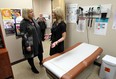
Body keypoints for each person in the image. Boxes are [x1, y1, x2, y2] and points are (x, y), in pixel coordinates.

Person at [20, 8, 43, 74]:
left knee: (40, 52)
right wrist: (27, 45)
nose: (32, 13)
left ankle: (41, 62)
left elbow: (37, 29)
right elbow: (23, 34)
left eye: (32, 11)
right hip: (30, 42)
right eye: (30, 12)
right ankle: (33, 67)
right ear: (26, 14)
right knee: (30, 55)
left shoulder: (33, 20)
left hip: (37, 40)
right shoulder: (23, 23)